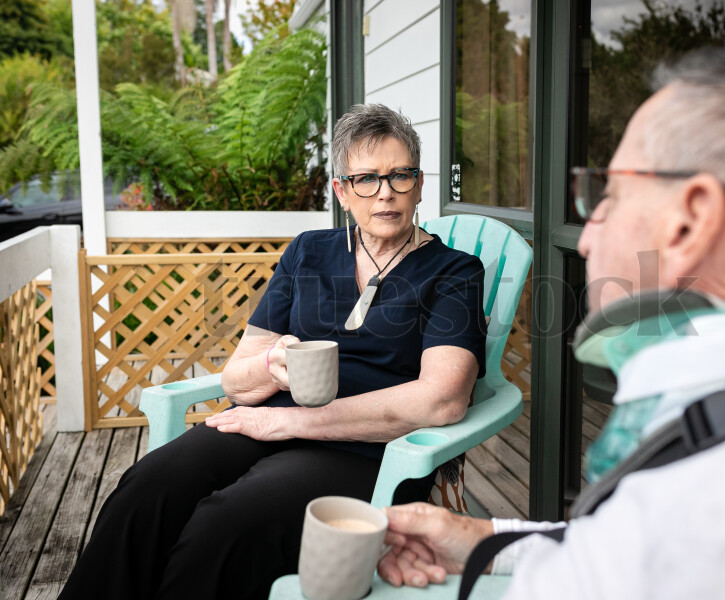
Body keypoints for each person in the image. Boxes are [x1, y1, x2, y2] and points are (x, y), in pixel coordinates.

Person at [377, 33, 725, 598]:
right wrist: (487, 538)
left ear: (690, 220)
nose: (586, 236)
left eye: (610, 194)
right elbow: (680, 554)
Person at [59, 104, 487, 600]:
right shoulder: (307, 251)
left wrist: (295, 423)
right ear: (342, 192)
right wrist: (270, 364)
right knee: (147, 486)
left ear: (418, 183)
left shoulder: (454, 272)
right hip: (265, 422)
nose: (386, 192)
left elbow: (442, 399)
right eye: (366, 178)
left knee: (227, 523)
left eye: (400, 175)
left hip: (368, 449)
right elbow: (237, 377)